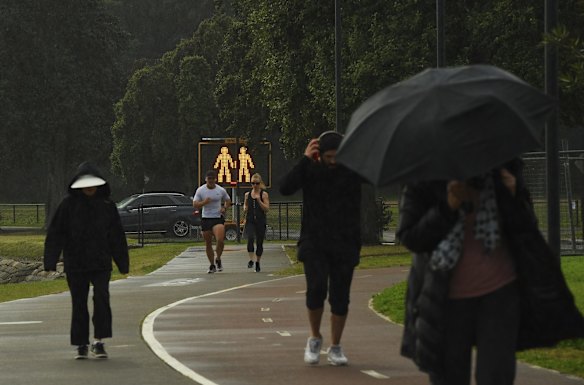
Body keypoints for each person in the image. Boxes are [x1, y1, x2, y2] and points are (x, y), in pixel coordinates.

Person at [396, 158, 584, 385]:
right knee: (450, 376)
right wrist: (448, 206)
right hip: (445, 298)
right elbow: (411, 238)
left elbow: (527, 226)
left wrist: (513, 195)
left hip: (500, 292)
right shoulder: (424, 176)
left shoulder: (503, 166)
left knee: (497, 376)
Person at [279, 130, 364, 366]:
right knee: (316, 289)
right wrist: (305, 159)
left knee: (340, 296)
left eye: (338, 156)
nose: (333, 161)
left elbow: (378, 175)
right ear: (319, 154)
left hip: (345, 242)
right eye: (328, 156)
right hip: (315, 241)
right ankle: (314, 337)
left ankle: (336, 346)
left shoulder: (352, 172)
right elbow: (285, 187)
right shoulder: (310, 170)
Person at [44, 162, 129, 360]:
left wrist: (122, 263)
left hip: (100, 262)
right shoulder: (67, 205)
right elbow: (56, 233)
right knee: (79, 303)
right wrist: (51, 260)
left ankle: (99, 341)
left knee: (101, 299)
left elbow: (116, 236)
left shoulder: (107, 206)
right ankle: (81, 343)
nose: (89, 188)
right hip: (76, 263)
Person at [193, 169, 231, 273]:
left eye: (212, 179)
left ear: (215, 179)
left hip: (217, 218)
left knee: (220, 239)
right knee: (208, 243)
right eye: (208, 179)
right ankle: (211, 264)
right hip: (206, 218)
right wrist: (204, 202)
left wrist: (224, 207)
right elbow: (195, 204)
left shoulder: (220, 190)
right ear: (206, 179)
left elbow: (228, 200)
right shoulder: (201, 190)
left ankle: (218, 258)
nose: (210, 181)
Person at [243, 173, 270, 272]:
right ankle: (251, 259)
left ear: (260, 183)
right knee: (250, 238)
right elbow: (245, 205)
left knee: (259, 242)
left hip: (260, 220)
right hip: (250, 220)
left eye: (257, 183)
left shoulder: (264, 194)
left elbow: (267, 209)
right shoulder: (247, 194)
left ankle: (258, 261)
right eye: (253, 183)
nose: (255, 185)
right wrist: (245, 208)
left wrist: (259, 201)